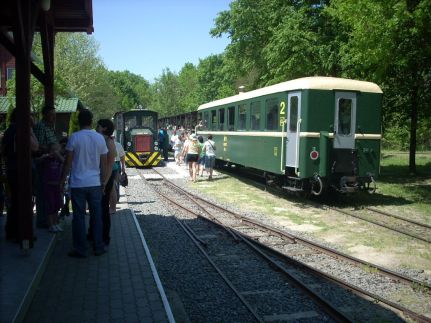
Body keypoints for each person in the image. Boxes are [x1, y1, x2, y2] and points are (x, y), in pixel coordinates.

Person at [60, 109, 108, 257]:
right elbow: (104, 163)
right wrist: (103, 182)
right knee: (96, 216)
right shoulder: (99, 138)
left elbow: (68, 162)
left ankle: (80, 249)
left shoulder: (74, 137)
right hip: (95, 183)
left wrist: (62, 180)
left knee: (79, 217)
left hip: (78, 183)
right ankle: (98, 247)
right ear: (91, 121)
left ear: (79, 121)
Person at [2, 109, 39, 241]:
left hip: (12, 169)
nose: (32, 118)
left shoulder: (9, 131)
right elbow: (35, 146)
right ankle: (21, 233)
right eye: (29, 116)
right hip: (21, 171)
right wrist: (30, 129)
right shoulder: (22, 130)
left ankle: (12, 231)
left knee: (16, 202)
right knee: (24, 202)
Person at [34, 105, 58, 228]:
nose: (54, 117)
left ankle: (52, 220)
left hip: (53, 164)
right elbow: (37, 147)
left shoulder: (51, 127)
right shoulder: (40, 127)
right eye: (51, 114)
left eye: (55, 114)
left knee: (52, 195)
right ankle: (43, 220)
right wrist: (51, 149)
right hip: (44, 165)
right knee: (43, 193)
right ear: (45, 115)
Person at [95, 119, 117, 246]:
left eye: (98, 126)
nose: (96, 128)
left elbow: (110, 164)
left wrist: (105, 181)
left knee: (103, 208)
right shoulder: (102, 140)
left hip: (105, 179)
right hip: (101, 178)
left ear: (103, 128)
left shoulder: (109, 142)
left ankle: (104, 237)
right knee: (98, 208)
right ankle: (94, 233)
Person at [40, 143, 64, 233]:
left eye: (56, 149)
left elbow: (64, 161)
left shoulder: (59, 159)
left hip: (57, 185)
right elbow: (37, 161)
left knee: (57, 205)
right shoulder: (47, 159)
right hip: (48, 185)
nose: (54, 152)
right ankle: (51, 225)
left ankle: (55, 223)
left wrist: (58, 155)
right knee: (51, 205)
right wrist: (45, 156)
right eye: (53, 150)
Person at [110, 139, 125, 214]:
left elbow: (122, 156)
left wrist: (123, 167)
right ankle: (116, 199)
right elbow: (122, 156)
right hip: (116, 164)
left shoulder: (117, 145)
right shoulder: (118, 145)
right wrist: (123, 167)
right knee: (116, 183)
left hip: (115, 164)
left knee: (115, 183)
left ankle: (115, 200)